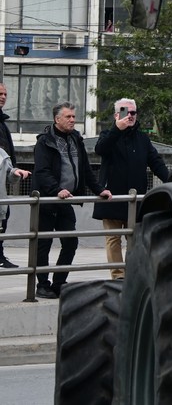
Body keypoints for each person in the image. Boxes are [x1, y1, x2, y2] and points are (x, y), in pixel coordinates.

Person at [32, 103, 111, 299]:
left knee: (70, 243)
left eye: (74, 116)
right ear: (57, 119)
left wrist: (99, 189)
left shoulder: (76, 139)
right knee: (43, 244)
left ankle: (59, 282)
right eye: (68, 117)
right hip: (47, 200)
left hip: (66, 200)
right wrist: (57, 190)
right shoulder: (44, 142)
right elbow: (42, 171)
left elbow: (85, 169)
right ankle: (42, 284)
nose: (72, 120)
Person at [93, 99, 170, 280]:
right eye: (125, 112)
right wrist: (117, 130)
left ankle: (133, 275)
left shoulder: (142, 138)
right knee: (113, 239)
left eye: (133, 113)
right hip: (112, 196)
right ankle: (118, 276)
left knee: (135, 239)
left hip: (135, 199)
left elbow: (156, 162)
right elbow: (101, 149)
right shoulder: (108, 134)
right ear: (116, 115)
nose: (130, 116)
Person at [0, 81, 30, 269]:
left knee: (4, 215)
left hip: (3, 176)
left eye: (4, 94)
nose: (3, 97)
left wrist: (12, 170)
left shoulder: (2, 122)